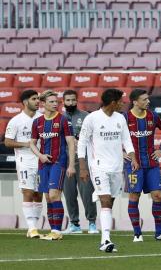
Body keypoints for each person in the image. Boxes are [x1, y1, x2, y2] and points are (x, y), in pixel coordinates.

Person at [78, 88, 139, 252]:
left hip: (117, 167)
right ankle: (105, 240)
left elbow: (126, 140)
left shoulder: (120, 118)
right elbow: (82, 142)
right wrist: (82, 166)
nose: (123, 104)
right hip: (98, 166)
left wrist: (133, 157)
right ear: (113, 102)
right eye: (121, 101)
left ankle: (105, 238)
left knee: (109, 202)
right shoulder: (92, 119)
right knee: (105, 200)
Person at [124, 89, 161, 242]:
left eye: (148, 99)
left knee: (158, 196)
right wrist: (121, 153)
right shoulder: (124, 118)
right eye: (144, 99)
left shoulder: (152, 116)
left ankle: (159, 232)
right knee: (134, 196)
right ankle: (137, 233)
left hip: (152, 163)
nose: (148, 102)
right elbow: (114, 138)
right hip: (134, 165)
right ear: (135, 102)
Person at [30, 90, 76, 241]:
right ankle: (53, 230)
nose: (55, 104)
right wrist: (40, 156)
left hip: (59, 162)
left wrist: (71, 165)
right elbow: (32, 143)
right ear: (43, 104)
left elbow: (70, 143)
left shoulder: (63, 120)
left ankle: (57, 230)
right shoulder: (37, 122)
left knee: (54, 194)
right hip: (43, 165)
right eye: (51, 102)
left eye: (56, 102)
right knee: (48, 198)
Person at [5, 90, 43, 239]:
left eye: (38, 99)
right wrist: (27, 144)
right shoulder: (16, 120)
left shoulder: (43, 118)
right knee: (28, 192)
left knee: (39, 194)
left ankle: (34, 226)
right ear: (26, 102)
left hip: (41, 161)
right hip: (25, 161)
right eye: (34, 99)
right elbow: (8, 142)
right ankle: (32, 228)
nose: (37, 101)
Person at [61, 90, 98, 234]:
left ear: (77, 101)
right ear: (63, 102)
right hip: (65, 160)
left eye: (73, 100)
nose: (71, 103)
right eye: (68, 100)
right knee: (69, 193)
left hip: (83, 159)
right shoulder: (59, 118)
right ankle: (74, 224)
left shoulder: (86, 117)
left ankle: (92, 223)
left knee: (87, 192)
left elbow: (94, 137)